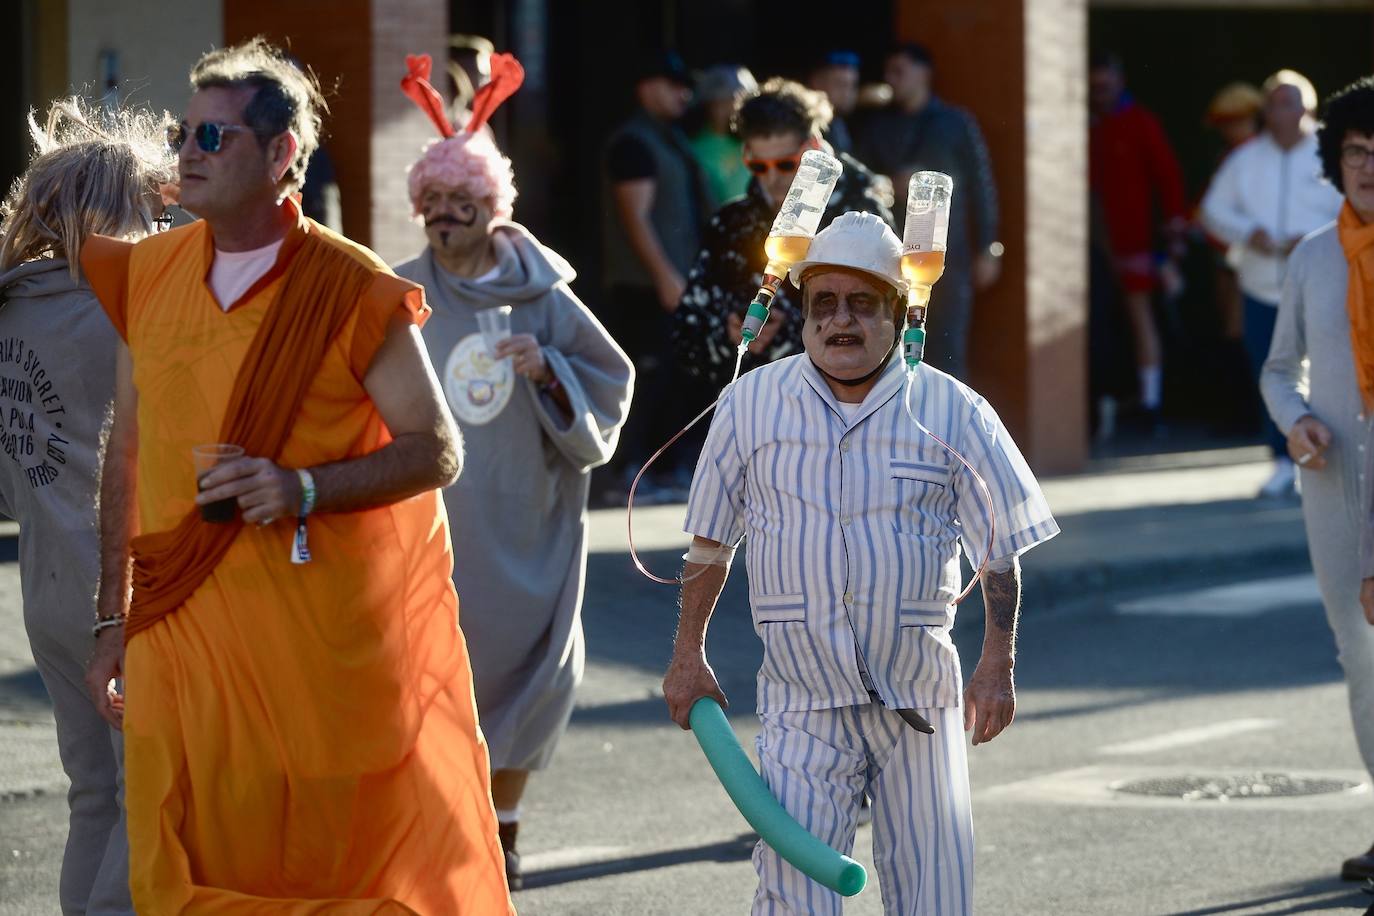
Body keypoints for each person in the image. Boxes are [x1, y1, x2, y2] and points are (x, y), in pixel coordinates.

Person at [80, 39, 511, 912]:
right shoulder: (147, 274)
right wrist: (110, 617)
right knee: (180, 858)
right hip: (179, 625)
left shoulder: (350, 286)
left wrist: (302, 487)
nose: (188, 154)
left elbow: (437, 448)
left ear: (282, 156)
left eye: (214, 137)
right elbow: (125, 449)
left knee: (324, 864)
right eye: (183, 134)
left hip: (313, 645)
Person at [663, 212, 1059, 914]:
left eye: (861, 304)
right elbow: (709, 546)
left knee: (935, 897)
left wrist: (997, 664)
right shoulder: (750, 404)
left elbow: (999, 553)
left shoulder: (951, 408)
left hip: (920, 702)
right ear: (803, 313)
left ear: (898, 311)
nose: (839, 321)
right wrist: (687, 653)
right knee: (794, 897)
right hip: (800, 701)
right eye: (824, 304)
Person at [394, 52, 634, 890]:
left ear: (494, 209)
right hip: (432, 523)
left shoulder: (542, 294)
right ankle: (443, 830)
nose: (447, 218)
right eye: (435, 204)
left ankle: (505, 824)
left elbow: (611, 380)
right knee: (430, 679)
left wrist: (550, 371)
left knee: (532, 676)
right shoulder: (397, 293)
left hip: (526, 518)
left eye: (464, 203)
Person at [0, 97, 173, 916]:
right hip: (124, 592)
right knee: (149, 797)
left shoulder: (10, 310)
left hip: (43, 587)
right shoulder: (127, 308)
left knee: (92, 795)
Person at [1262, 75, 1374, 883]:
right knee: (1361, 656)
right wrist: (1293, 420)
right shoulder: (1310, 256)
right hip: (1333, 486)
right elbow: (1277, 369)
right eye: (1357, 152)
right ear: (1335, 160)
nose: (1368, 167)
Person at [673, 77, 894, 392]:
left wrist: (790, 329)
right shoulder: (732, 222)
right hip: (754, 410)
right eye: (759, 166)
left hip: (846, 413)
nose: (773, 179)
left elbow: (891, 326)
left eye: (787, 164)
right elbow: (686, 337)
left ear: (813, 149)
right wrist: (730, 334)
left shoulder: (863, 214)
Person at [1204, 70, 1342, 497]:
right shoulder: (1246, 159)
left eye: (1289, 102)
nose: (1280, 111)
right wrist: (1249, 232)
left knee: (1324, 374)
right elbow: (1212, 209)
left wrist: (1316, 237)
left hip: (1322, 284)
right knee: (1270, 371)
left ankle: (1322, 455)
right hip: (1261, 287)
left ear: (1308, 108)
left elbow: (1354, 207)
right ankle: (1283, 459)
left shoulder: (1335, 150)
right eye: (1274, 103)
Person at [854, 42, 1003, 381]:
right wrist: (892, 183)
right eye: (889, 72)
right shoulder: (877, 126)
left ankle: (947, 432)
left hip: (948, 257)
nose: (892, 80)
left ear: (924, 74)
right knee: (891, 352)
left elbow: (981, 185)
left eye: (900, 71)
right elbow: (860, 182)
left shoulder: (955, 122)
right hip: (890, 254)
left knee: (947, 352)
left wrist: (989, 248)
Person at [602, 49, 712, 500]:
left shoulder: (670, 138)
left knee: (675, 379)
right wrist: (665, 276)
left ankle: (661, 470)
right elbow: (636, 217)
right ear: (646, 88)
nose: (683, 93)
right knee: (645, 382)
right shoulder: (634, 142)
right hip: (644, 287)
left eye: (686, 85)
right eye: (672, 84)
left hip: (675, 282)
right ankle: (628, 472)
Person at [1088, 51, 1189, 432]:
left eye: (1106, 85)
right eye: (1094, 87)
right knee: (1100, 325)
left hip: (1137, 244)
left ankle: (1150, 404)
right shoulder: (1088, 128)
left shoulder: (1142, 124)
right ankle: (1104, 406)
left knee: (1140, 318)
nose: (1100, 93)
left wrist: (1172, 238)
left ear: (1120, 81)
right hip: (1098, 246)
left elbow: (1169, 179)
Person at [688, 64, 757, 207]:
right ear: (709, 105)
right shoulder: (693, 150)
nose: (732, 109)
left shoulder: (757, 142)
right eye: (722, 103)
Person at [807, 50, 861, 157]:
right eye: (840, 84)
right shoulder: (809, 126)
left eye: (852, 85)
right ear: (817, 82)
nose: (847, 93)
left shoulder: (841, 121)